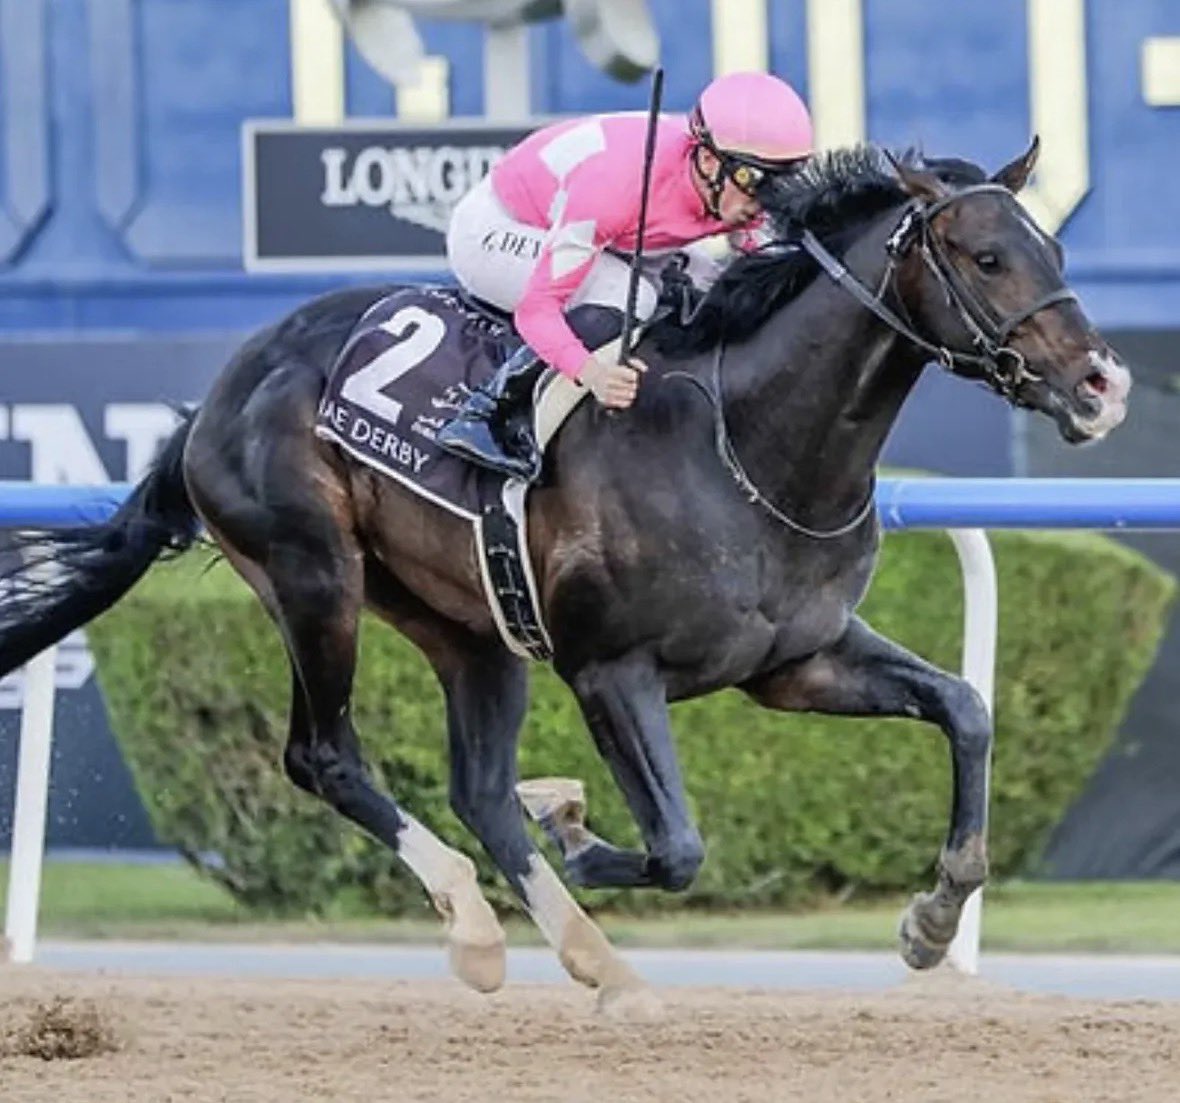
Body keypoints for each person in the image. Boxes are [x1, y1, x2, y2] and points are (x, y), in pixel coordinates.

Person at [437, 70, 815, 480]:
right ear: (709, 161)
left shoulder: (727, 185)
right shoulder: (614, 189)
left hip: (621, 227)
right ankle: (488, 412)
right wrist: (594, 375)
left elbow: (766, 265)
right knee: (629, 295)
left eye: (782, 183)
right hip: (498, 228)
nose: (764, 203)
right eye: (756, 181)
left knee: (713, 283)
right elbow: (538, 310)